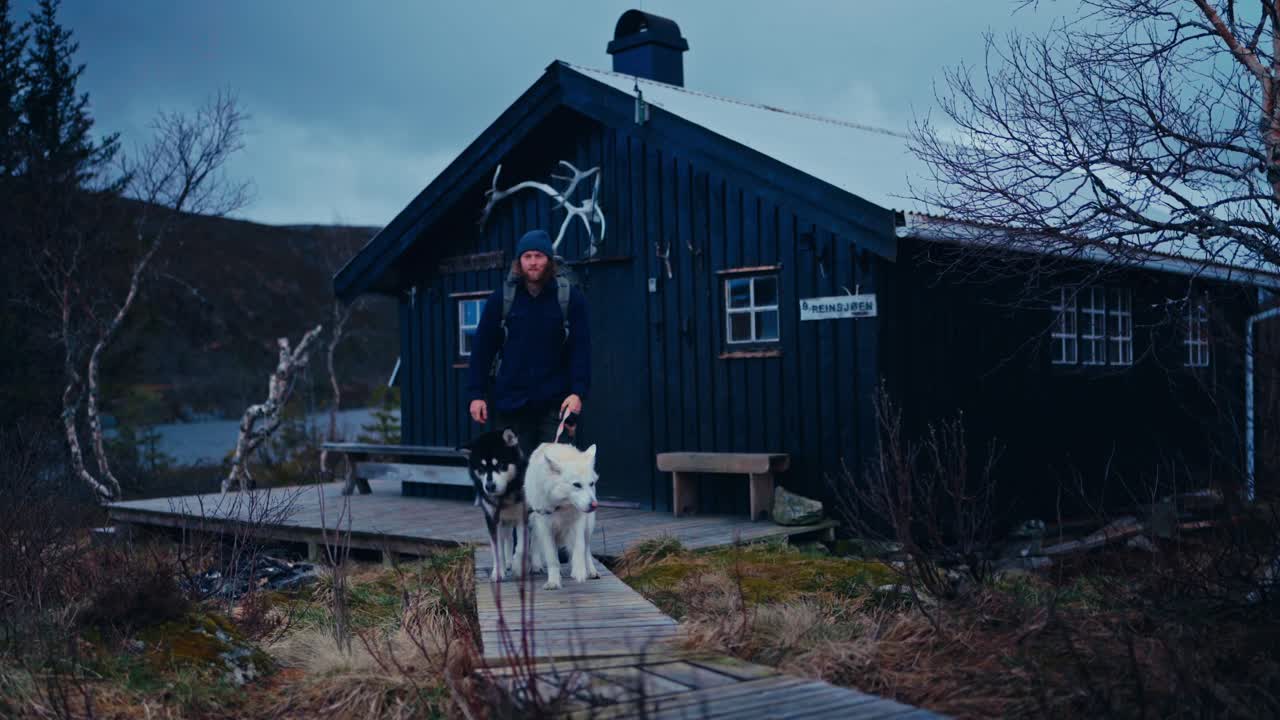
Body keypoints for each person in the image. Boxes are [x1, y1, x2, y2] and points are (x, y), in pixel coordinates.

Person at [467, 229, 590, 457]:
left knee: (555, 475)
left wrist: (578, 393)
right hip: (511, 405)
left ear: (549, 260)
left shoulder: (570, 298)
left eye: (539, 256)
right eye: (527, 257)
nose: (533, 262)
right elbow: (482, 350)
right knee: (516, 474)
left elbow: (581, 350)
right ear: (519, 261)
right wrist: (476, 394)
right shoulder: (501, 299)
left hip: (555, 404)